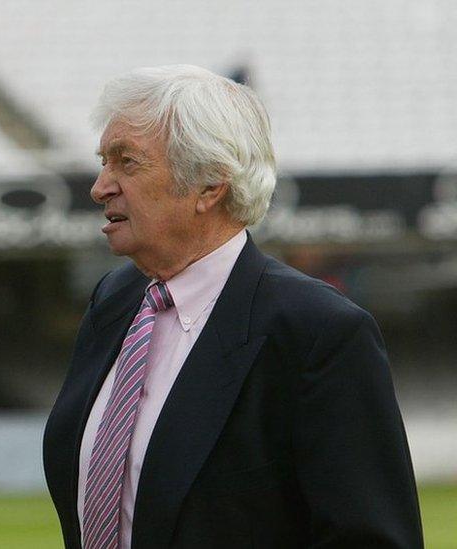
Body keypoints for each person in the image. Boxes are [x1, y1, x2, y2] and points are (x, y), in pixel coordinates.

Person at [43, 65, 422, 548]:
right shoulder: (113, 301)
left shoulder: (318, 332)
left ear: (209, 185)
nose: (100, 187)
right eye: (103, 161)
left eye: (127, 163)